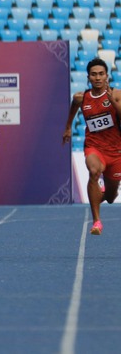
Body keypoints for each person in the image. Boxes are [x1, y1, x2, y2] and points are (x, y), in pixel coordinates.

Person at [63, 58, 121, 235]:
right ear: (88, 77)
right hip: (94, 146)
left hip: (116, 151)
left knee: (110, 197)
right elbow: (73, 107)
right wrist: (68, 127)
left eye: (101, 74)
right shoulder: (81, 97)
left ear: (106, 76)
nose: (98, 78)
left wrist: (114, 103)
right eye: (94, 74)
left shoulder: (116, 94)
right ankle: (96, 221)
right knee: (94, 170)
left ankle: (102, 194)